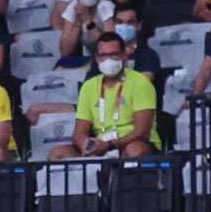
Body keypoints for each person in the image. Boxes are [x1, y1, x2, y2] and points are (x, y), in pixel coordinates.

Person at [49, 31, 160, 160]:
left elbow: (142, 132)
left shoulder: (141, 82)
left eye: (114, 55)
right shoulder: (88, 86)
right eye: (103, 56)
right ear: (96, 58)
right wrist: (85, 145)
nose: (108, 60)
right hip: (99, 147)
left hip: (129, 143)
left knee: (136, 150)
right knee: (57, 154)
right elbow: (79, 133)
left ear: (124, 56)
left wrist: (109, 145)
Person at [54, 0, 119, 66]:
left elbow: (110, 45)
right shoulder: (73, 8)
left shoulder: (105, 6)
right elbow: (65, 52)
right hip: (87, 60)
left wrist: (88, 20)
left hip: (108, 59)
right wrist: (79, 22)